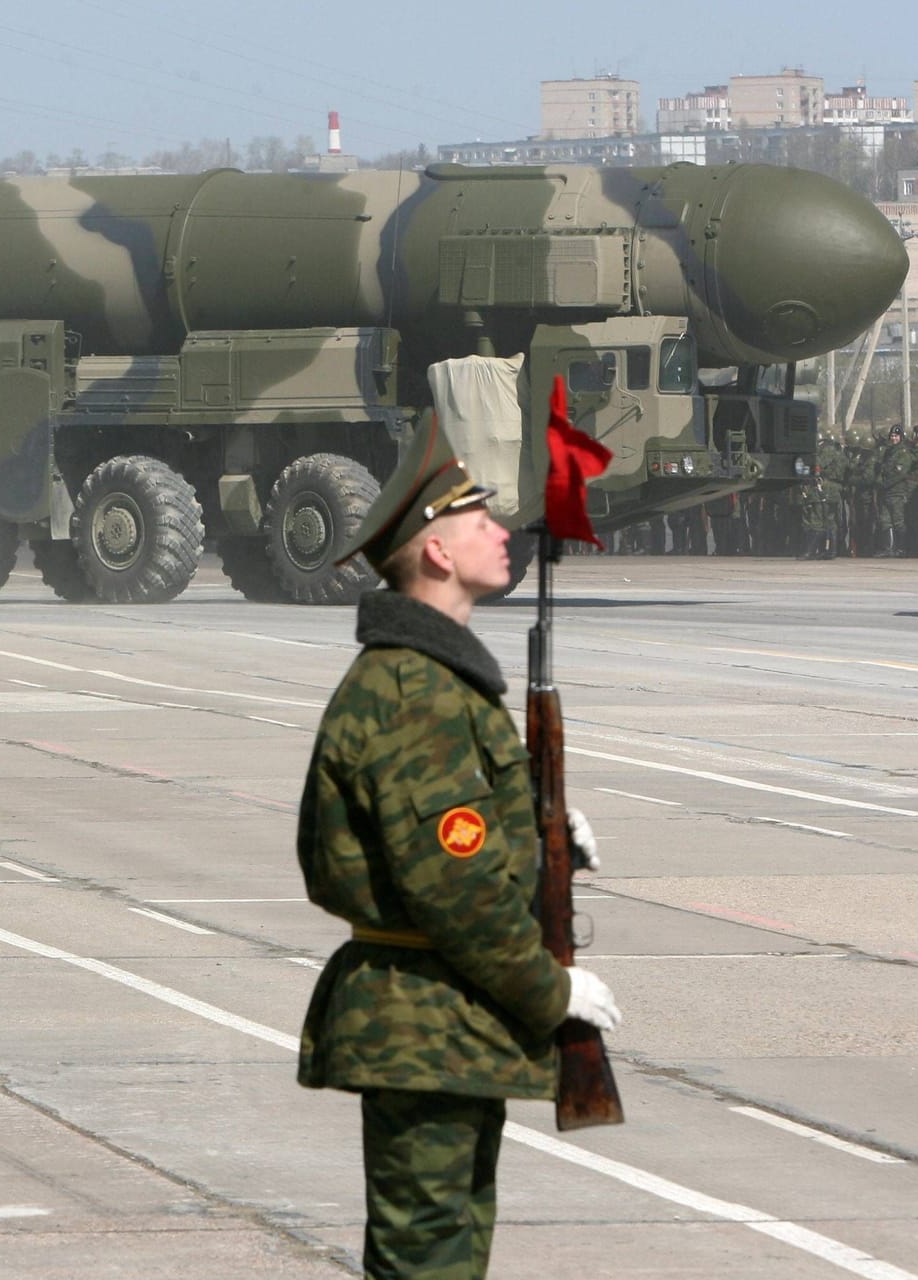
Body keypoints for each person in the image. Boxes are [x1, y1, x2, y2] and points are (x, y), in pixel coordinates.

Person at [294, 418, 622, 1279]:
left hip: (448, 1025)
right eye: (480, 521)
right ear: (436, 552)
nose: (502, 533)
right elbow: (455, 887)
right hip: (425, 1025)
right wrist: (549, 991)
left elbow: (459, 841)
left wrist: (541, 835)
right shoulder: (416, 691)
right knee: (427, 1257)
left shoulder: (434, 680)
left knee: (450, 1251)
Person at [874, 421, 918, 557]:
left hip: (897, 491)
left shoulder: (903, 452)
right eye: (892, 436)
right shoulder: (889, 452)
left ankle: (901, 548)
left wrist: (885, 483)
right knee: (885, 521)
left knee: (898, 521)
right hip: (886, 492)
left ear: (901, 437)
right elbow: (883, 469)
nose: (894, 438)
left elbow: (900, 473)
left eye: (896, 436)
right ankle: (889, 548)